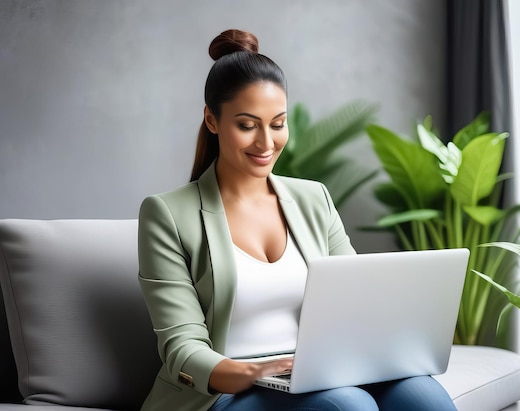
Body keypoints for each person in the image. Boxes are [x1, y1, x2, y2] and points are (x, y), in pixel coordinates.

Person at [137, 29, 457, 411]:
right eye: (246, 124)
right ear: (211, 120)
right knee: (349, 407)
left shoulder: (313, 198)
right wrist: (253, 371)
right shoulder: (168, 214)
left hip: (318, 373)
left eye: (277, 123)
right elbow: (181, 347)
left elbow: (358, 301)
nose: (266, 143)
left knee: (424, 397)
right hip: (226, 392)